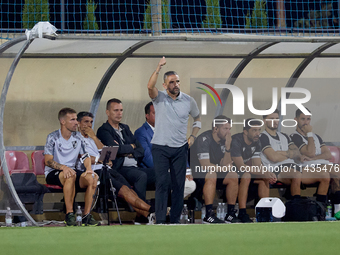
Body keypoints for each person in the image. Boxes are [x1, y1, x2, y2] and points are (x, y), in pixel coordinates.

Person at [147, 57, 201, 224]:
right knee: (162, 183)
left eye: (177, 81)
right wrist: (158, 68)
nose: (175, 85)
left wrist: (193, 136)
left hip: (180, 148)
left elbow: (198, 119)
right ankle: (161, 219)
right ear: (165, 85)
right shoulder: (159, 98)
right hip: (160, 147)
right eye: (171, 82)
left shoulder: (188, 100)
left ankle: (175, 220)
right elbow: (150, 86)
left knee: (179, 185)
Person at [76, 111, 155, 224]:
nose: (89, 125)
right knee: (124, 192)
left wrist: (94, 137)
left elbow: (105, 151)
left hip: (107, 169)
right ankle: (154, 210)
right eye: (86, 122)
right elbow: (83, 156)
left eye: (91, 122)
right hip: (95, 171)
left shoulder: (92, 138)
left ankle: (149, 215)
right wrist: (100, 159)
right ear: (78, 123)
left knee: (129, 191)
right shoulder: (76, 139)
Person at [44, 108, 99, 226]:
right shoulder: (52, 137)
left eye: (76, 119)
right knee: (70, 175)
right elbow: (48, 161)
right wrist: (64, 167)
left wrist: (89, 169)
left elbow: (85, 156)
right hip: (54, 172)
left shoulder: (78, 137)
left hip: (73, 171)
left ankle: (86, 215)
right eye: (73, 119)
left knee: (92, 178)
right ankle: (69, 214)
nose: (76, 123)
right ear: (63, 121)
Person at [96, 98, 155, 204]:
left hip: (135, 166)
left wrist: (127, 149)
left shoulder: (125, 128)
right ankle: (140, 212)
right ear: (107, 112)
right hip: (119, 168)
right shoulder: (104, 130)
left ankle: (165, 209)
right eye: (116, 110)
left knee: (162, 173)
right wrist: (131, 147)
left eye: (121, 110)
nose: (119, 113)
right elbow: (115, 149)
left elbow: (140, 149)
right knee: (140, 176)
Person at [134, 102, 196, 199]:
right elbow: (147, 158)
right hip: (152, 170)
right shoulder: (141, 132)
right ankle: (164, 207)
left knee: (191, 184)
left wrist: (186, 169)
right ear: (147, 116)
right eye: (155, 113)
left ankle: (166, 206)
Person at [191, 115, 239, 224]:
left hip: (216, 172)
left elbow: (226, 164)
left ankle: (230, 214)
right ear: (215, 129)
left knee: (233, 175)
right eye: (225, 129)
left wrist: (228, 148)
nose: (228, 132)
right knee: (212, 174)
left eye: (229, 129)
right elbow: (205, 165)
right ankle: (209, 215)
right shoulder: (204, 139)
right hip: (197, 174)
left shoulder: (224, 141)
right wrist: (222, 168)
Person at [230, 119, 277, 223]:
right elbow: (240, 166)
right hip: (229, 172)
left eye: (259, 130)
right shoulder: (236, 141)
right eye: (254, 130)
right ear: (245, 131)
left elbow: (257, 164)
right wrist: (264, 172)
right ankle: (242, 212)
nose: (257, 134)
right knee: (247, 175)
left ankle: (265, 211)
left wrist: (268, 173)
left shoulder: (257, 142)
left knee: (264, 178)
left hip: (244, 171)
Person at [290, 108, 333, 203]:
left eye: (308, 119)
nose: (306, 122)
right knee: (328, 174)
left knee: (337, 176)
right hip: (306, 167)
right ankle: (321, 208)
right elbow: (310, 152)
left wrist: (313, 158)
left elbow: (328, 154)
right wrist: (309, 133)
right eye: (303, 119)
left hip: (321, 165)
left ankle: (336, 207)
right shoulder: (294, 136)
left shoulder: (316, 136)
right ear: (296, 120)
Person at [259, 109, 302, 199]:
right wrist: (290, 154)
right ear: (264, 121)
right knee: (296, 175)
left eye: (277, 118)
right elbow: (273, 157)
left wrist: (280, 153)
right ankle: (296, 206)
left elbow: (298, 153)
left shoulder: (285, 136)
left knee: (324, 175)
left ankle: (328, 207)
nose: (275, 121)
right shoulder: (262, 137)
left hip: (293, 166)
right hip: (276, 169)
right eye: (271, 118)